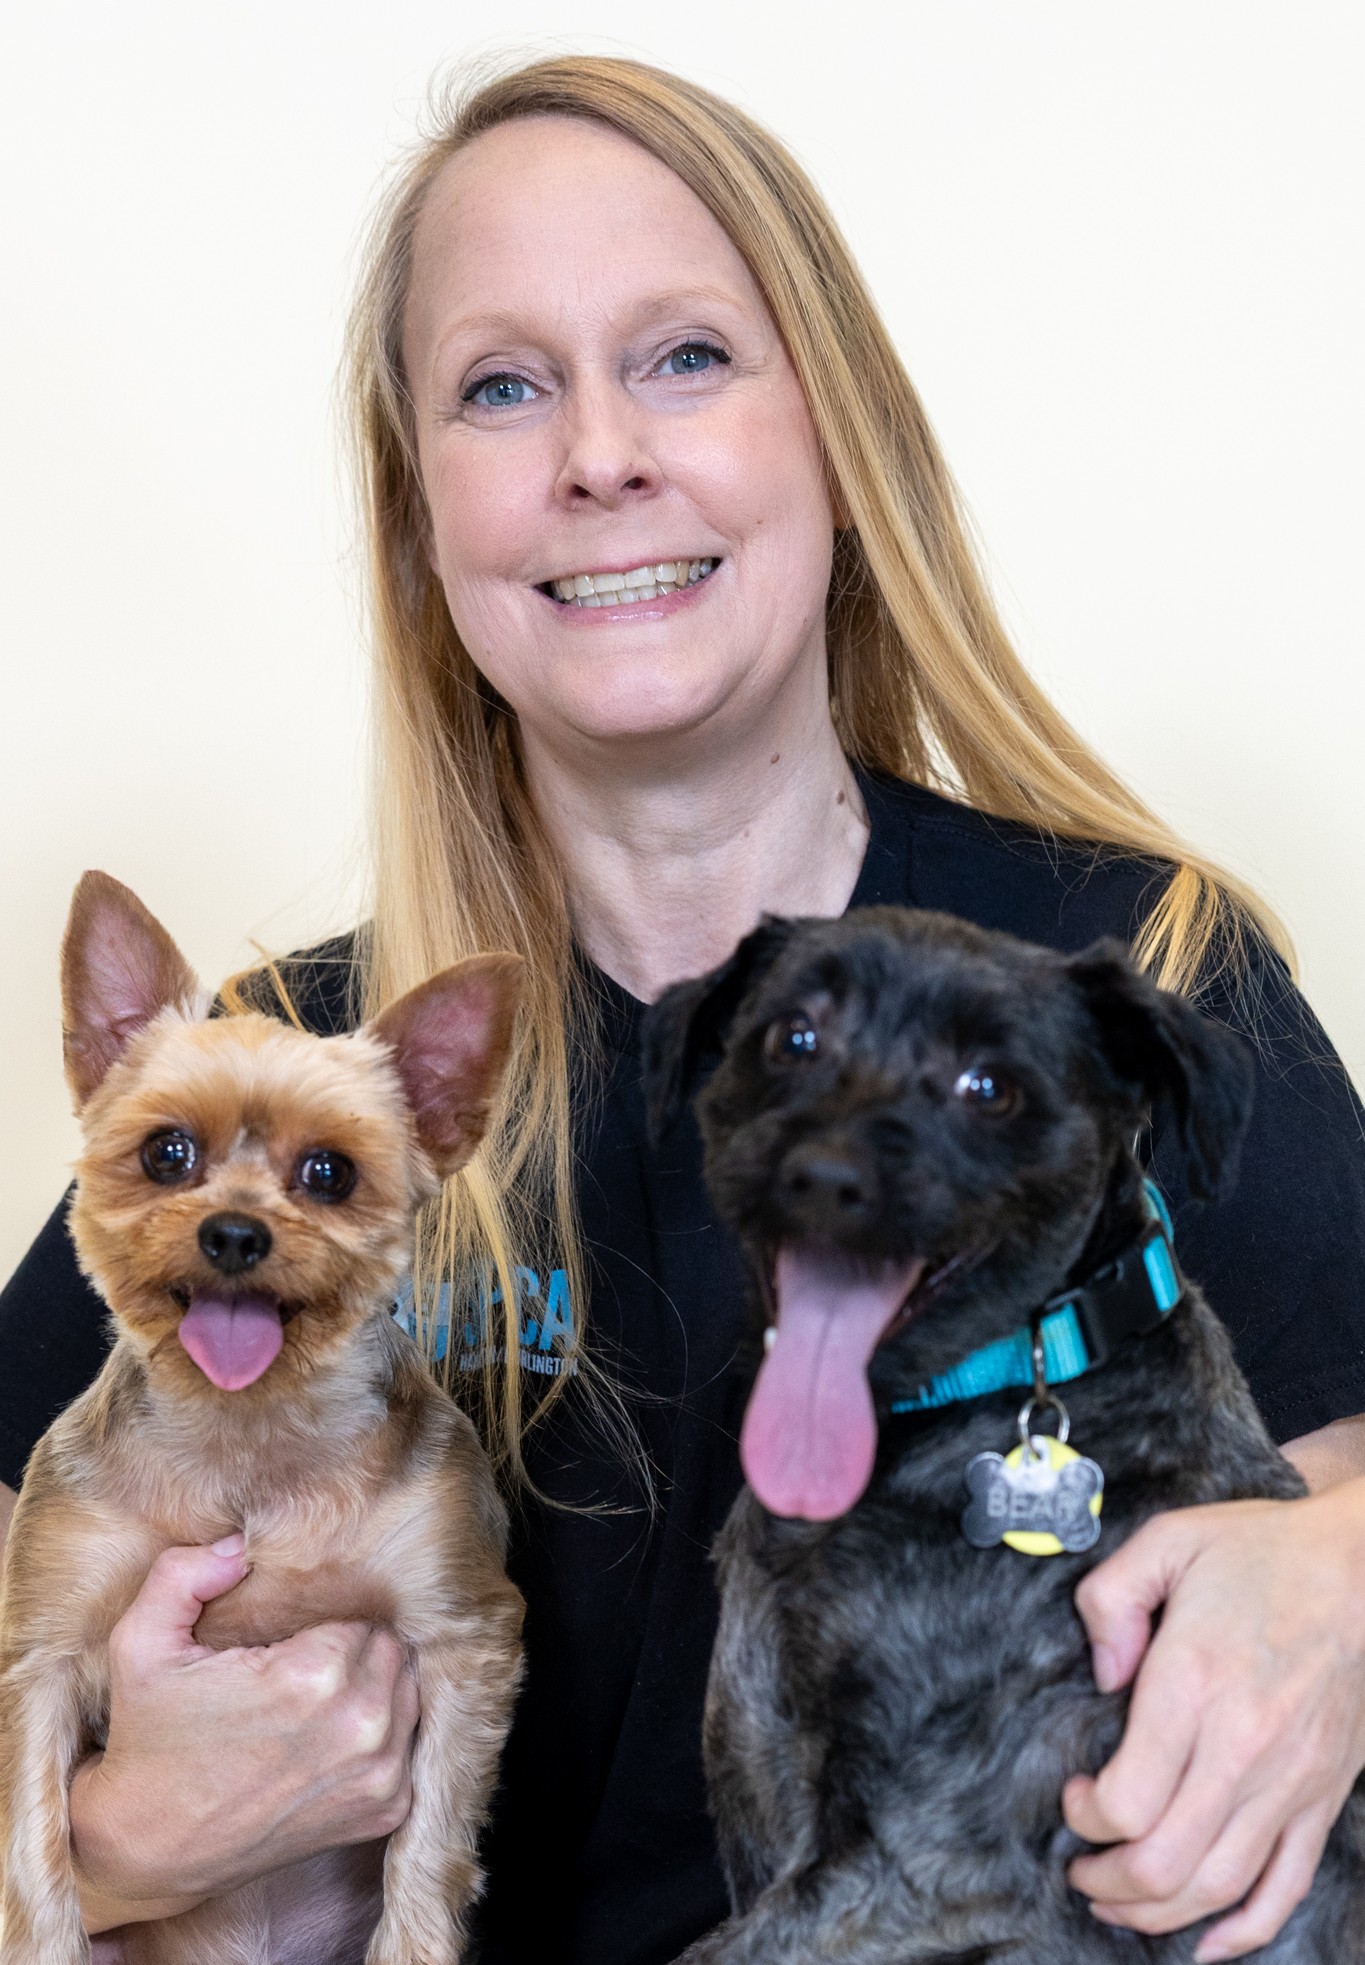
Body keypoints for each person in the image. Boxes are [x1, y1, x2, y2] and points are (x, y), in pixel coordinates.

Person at [3, 55, 1365, 1965]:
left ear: (841, 436)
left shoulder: (1134, 965)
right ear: (417, 517)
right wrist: (125, 1839)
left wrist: (1345, 1581)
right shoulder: (298, 1088)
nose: (597, 455)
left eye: (686, 357)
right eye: (501, 386)